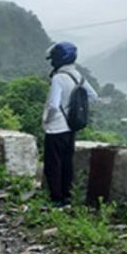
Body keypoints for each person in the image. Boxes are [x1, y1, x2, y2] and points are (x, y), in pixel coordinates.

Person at [42, 42, 98, 207]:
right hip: (71, 128)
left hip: (55, 128)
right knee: (67, 162)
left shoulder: (59, 78)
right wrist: (74, 106)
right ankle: (67, 198)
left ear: (59, 59)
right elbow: (93, 96)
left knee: (53, 164)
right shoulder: (78, 76)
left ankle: (56, 199)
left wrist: (47, 119)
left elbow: (53, 104)